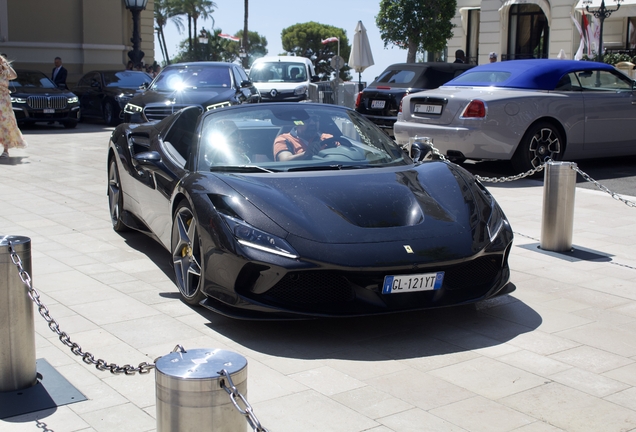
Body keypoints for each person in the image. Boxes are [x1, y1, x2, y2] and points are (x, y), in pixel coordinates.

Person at [273, 115, 338, 161]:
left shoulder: (328, 139)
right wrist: (306, 154)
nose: (312, 123)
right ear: (297, 123)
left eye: (315, 119)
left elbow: (342, 155)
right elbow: (284, 160)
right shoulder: (284, 139)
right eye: (307, 120)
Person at [0, 54, 27, 158]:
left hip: (4, 102)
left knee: (6, 125)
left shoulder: (5, 72)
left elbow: (14, 75)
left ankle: (6, 150)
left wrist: (6, 65)